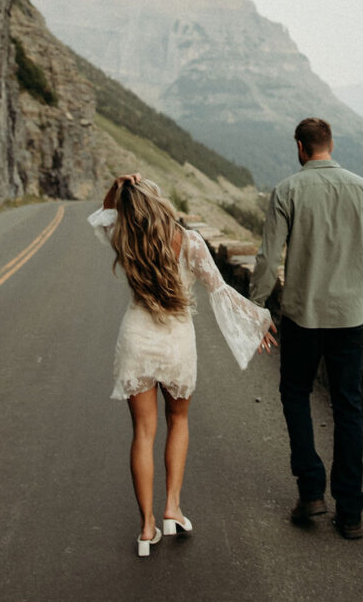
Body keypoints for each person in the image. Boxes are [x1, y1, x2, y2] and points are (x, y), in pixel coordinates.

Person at [89, 173, 274, 557]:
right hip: (176, 344)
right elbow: (220, 292)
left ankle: (146, 528)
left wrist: (118, 186)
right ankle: (172, 507)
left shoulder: (124, 238)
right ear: (160, 202)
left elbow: (103, 214)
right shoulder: (188, 242)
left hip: (137, 339)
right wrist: (257, 322)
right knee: (179, 421)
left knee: (143, 432)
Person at [251, 118, 363, 539]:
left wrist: (256, 308)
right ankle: (350, 513)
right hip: (351, 317)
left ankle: (311, 491)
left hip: (301, 317)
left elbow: (267, 258)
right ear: (331, 145)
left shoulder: (288, 191)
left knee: (295, 393)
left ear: (300, 147)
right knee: (348, 406)